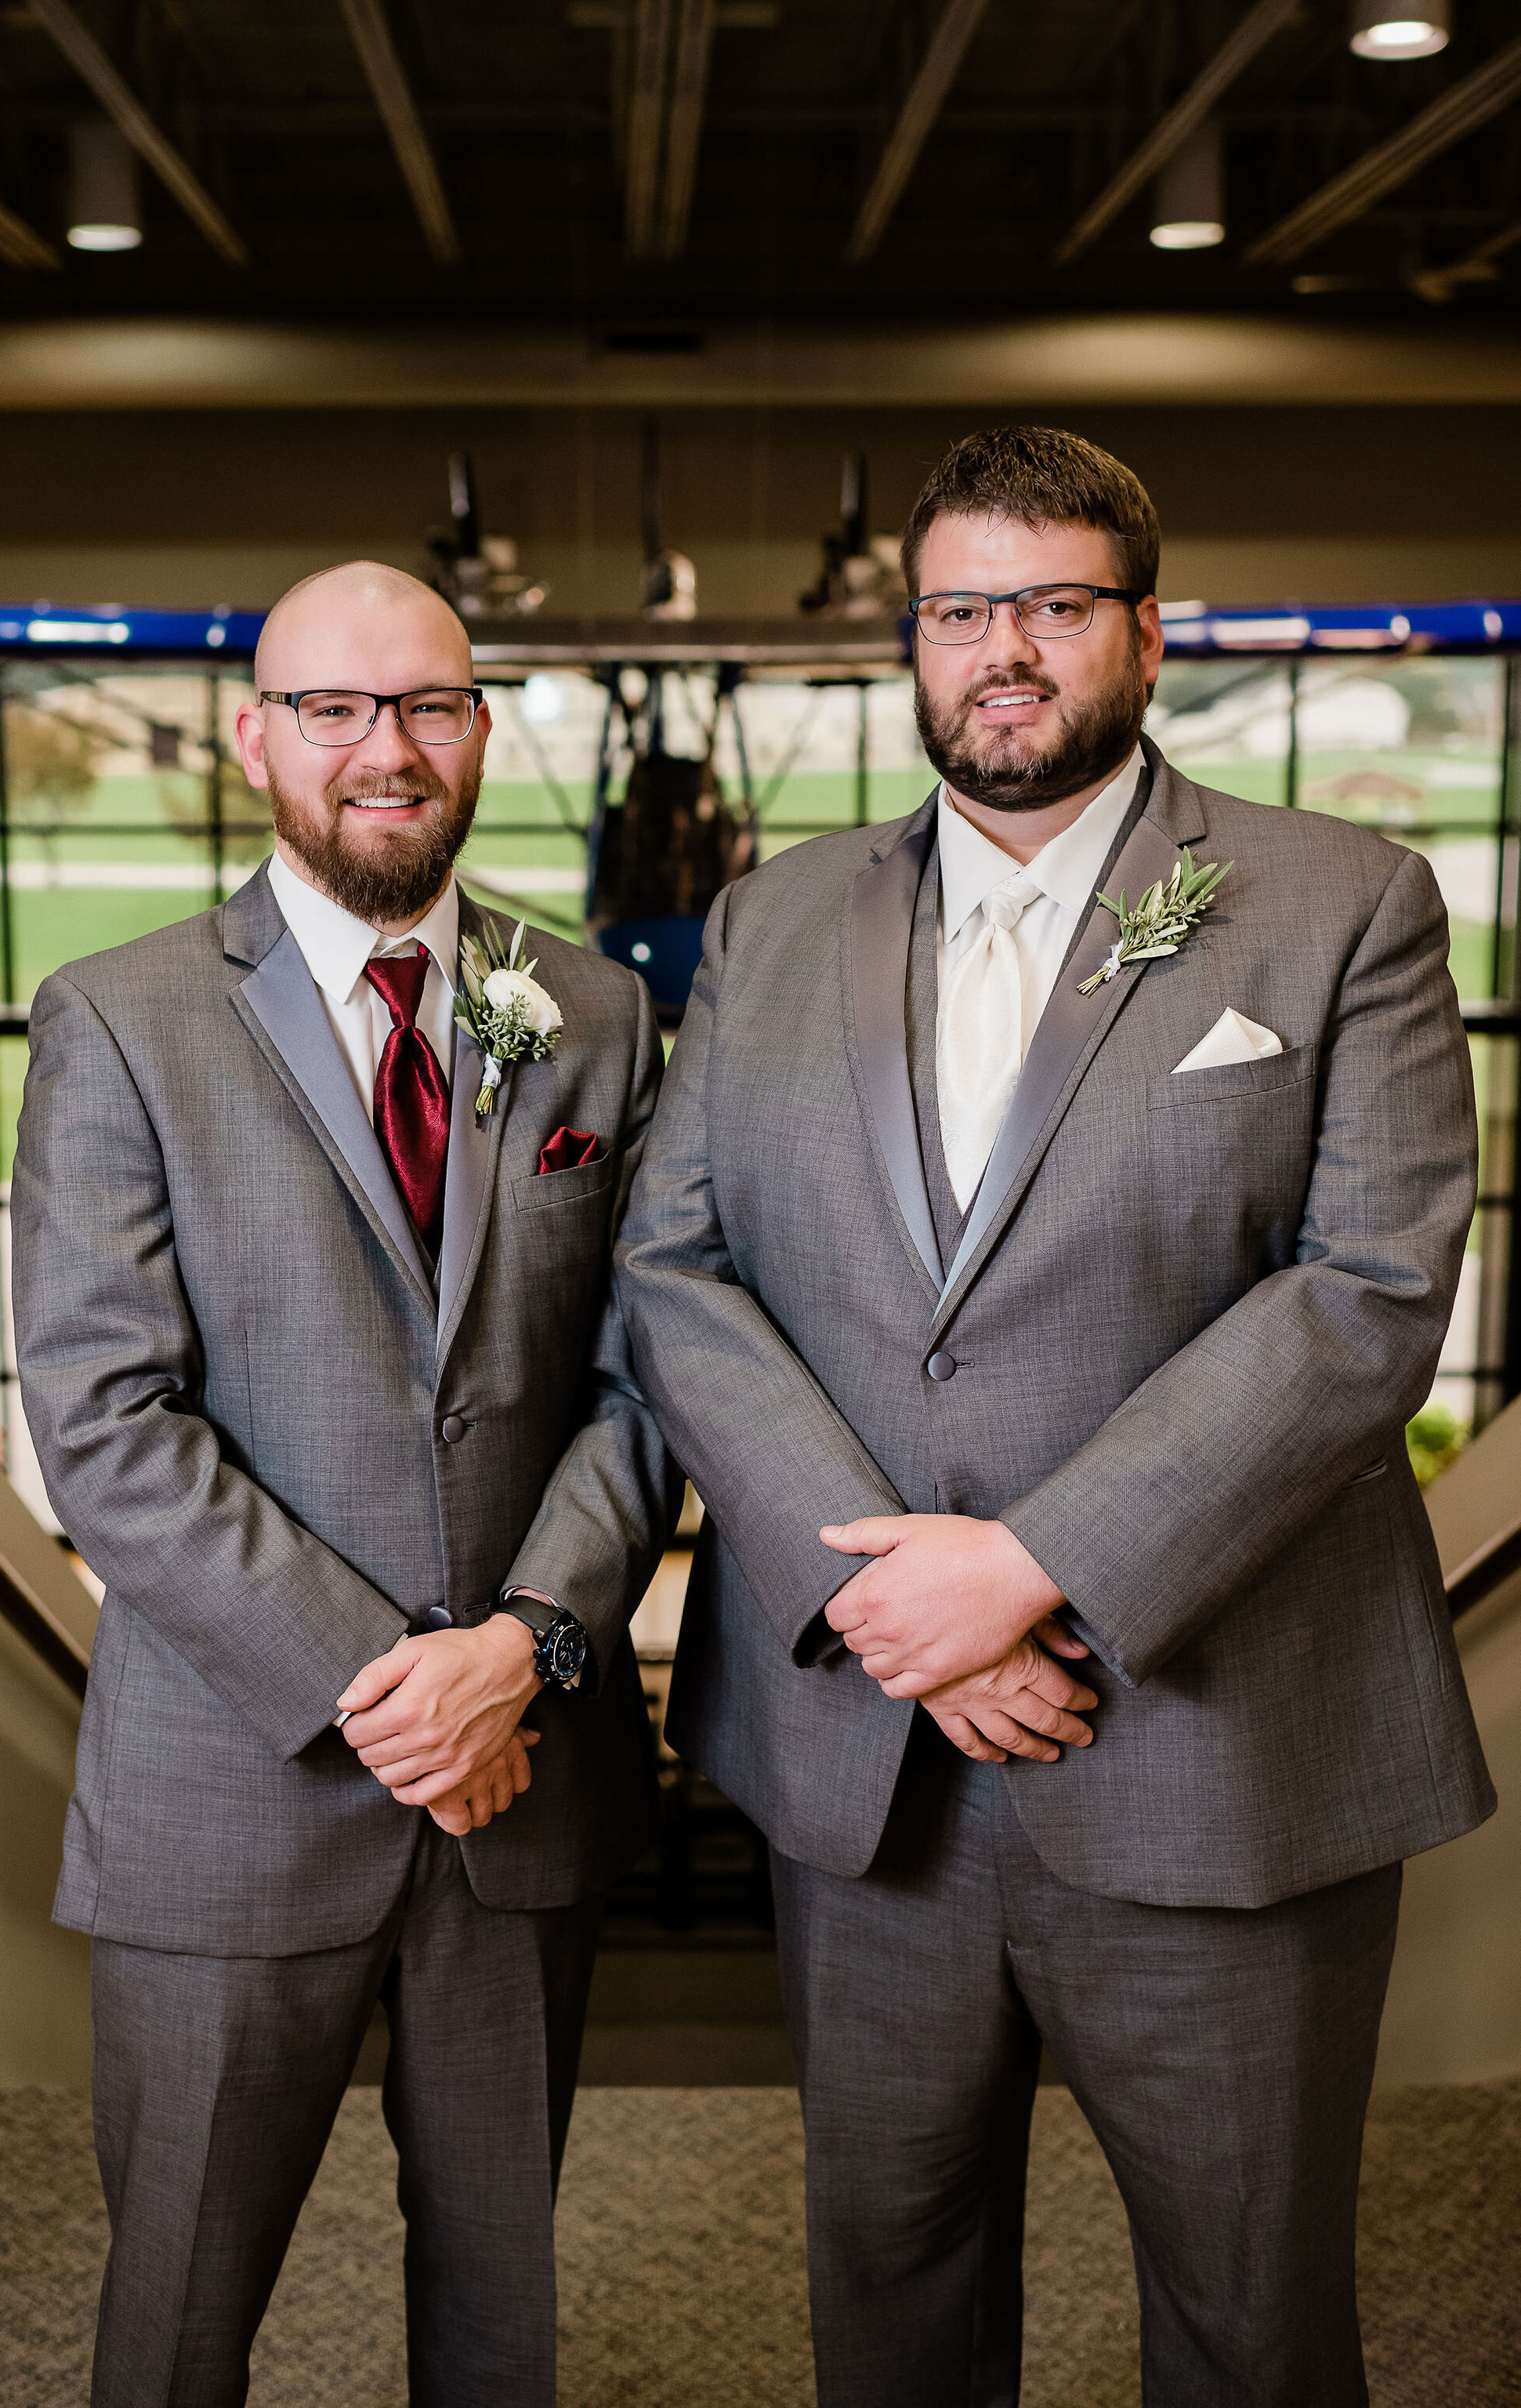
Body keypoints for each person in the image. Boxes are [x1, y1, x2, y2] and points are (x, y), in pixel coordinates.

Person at [617, 426, 1494, 2406]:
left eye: (1051, 603)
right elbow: (677, 1274)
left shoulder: (1342, 902)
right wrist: (878, 1607)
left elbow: (1364, 1298)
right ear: (912, 645)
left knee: (1246, 2321)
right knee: (891, 2299)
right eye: (958, 611)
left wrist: (1029, 1571)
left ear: (1145, 629)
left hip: (1218, 1745)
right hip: (873, 1776)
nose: (1001, 648)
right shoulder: (769, 928)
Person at [12, 561, 679, 2408]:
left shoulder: (592, 1014)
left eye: (428, 707)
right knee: (176, 2323)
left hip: (523, 1783)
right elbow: (106, 1421)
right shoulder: (120, 1020)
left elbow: (644, 1377)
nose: (385, 749)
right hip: (236, 1786)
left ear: (476, 729)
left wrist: (523, 1648)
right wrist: (398, 1693)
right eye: (335, 709)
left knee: (497, 2317)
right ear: (257, 740)